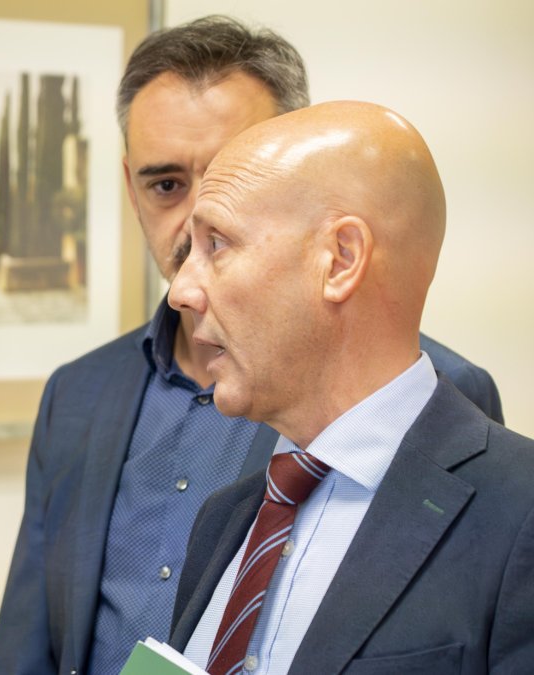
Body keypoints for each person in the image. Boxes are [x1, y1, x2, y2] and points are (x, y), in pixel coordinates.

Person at [0, 16, 502, 675]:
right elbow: (29, 647)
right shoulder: (78, 394)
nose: (201, 215)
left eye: (238, 175)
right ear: (129, 186)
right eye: (166, 185)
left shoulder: (440, 392)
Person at [167, 101, 534, 674]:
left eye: (217, 243)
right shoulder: (224, 519)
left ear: (340, 260)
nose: (181, 291)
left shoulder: (518, 514)